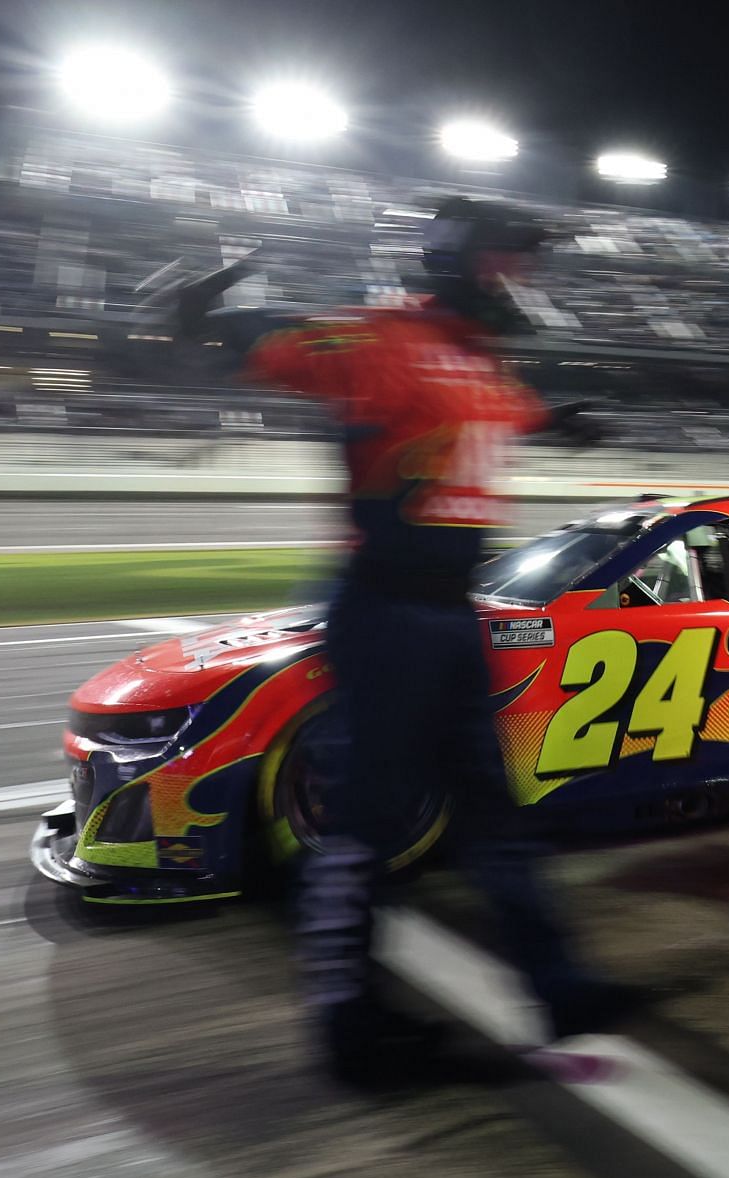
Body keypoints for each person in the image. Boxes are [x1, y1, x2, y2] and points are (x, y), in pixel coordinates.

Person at [167, 197, 635, 1088]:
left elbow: (505, 413)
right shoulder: (377, 341)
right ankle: (349, 1029)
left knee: (496, 816)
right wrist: (210, 315)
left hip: (456, 616)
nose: (524, 280)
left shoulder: (484, 362)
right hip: (384, 615)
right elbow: (272, 344)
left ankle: (561, 989)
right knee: (362, 833)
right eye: (510, 260)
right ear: (460, 260)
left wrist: (557, 423)